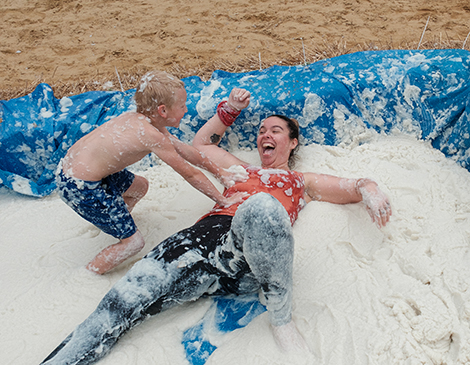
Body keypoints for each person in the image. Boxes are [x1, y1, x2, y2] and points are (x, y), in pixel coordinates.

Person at [41, 88, 392, 364]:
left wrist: (371, 189)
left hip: (247, 259)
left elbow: (353, 186)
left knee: (262, 206)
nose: (264, 135)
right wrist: (230, 111)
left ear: (293, 142)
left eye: (275, 130)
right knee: (121, 302)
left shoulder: (301, 180)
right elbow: (201, 146)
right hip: (198, 245)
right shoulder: (239, 169)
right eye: (260, 130)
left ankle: (280, 316)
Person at [55, 71, 245, 275]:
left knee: (139, 187)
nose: (186, 109)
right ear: (163, 110)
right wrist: (222, 200)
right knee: (134, 243)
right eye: (182, 106)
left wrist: (222, 173)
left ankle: (115, 222)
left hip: (75, 171)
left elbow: (188, 151)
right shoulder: (152, 136)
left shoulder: (143, 121)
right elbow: (190, 174)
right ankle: (88, 273)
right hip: (78, 186)